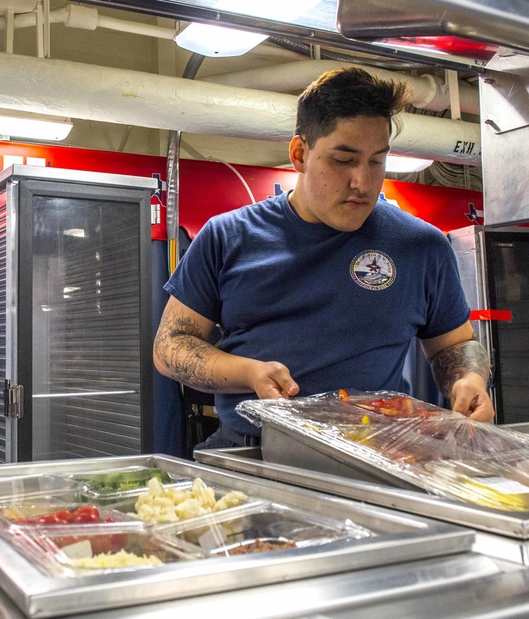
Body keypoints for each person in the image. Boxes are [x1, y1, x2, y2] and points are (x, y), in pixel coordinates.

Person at [153, 67, 494, 452]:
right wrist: (248, 372)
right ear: (300, 153)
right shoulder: (227, 237)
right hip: (253, 451)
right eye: (343, 160)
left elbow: (454, 344)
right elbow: (171, 346)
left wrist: (469, 380)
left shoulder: (422, 246)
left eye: (376, 161)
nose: (362, 183)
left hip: (378, 455)